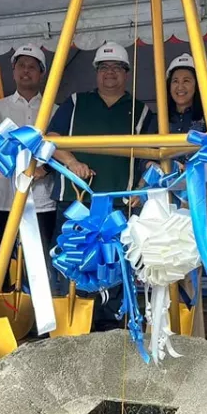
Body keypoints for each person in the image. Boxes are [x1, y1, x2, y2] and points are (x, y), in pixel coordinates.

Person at [47, 41, 155, 329]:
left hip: (119, 206)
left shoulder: (141, 111)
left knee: (116, 268)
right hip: (75, 203)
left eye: (117, 68)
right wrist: (71, 162)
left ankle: (110, 331)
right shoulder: (74, 102)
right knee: (74, 265)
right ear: (96, 72)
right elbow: (51, 138)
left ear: (127, 73)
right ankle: (76, 326)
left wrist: (144, 186)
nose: (110, 73)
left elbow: (151, 156)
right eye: (104, 67)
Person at [0, 44, 57, 253]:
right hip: (3, 196)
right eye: (21, 66)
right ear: (14, 71)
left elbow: (59, 150)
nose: (26, 71)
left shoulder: (55, 111)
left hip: (42, 197)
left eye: (32, 67)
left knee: (41, 261)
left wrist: (43, 170)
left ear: (42, 73)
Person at [164, 53, 205, 135]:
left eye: (186, 81)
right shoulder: (159, 120)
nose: (180, 87)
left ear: (197, 85)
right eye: (175, 81)